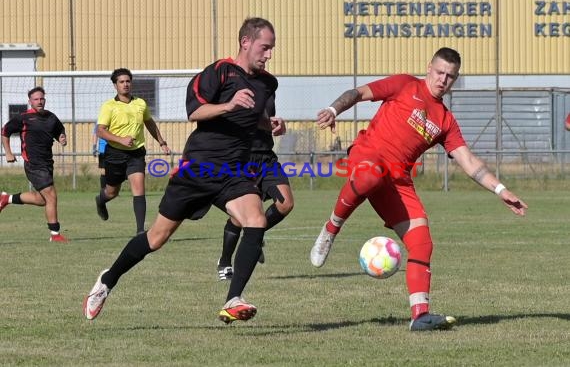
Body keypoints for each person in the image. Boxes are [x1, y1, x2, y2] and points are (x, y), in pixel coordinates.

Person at [310, 47, 528, 331]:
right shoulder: (404, 84)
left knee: (422, 241)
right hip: (368, 158)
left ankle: (420, 315)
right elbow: (359, 93)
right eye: (439, 73)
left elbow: (468, 160)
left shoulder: (445, 120)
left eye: (450, 76)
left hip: (399, 180)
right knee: (368, 178)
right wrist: (332, 109)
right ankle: (331, 229)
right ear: (429, 68)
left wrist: (501, 190)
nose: (443, 80)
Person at [83, 17, 278, 324]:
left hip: (235, 170)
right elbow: (195, 112)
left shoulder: (268, 83)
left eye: (271, 49)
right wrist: (229, 105)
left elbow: (256, 118)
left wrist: (272, 124)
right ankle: (107, 281)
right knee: (156, 238)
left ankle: (233, 299)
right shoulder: (219, 72)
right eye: (265, 47)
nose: (268, 55)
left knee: (255, 220)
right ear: (246, 42)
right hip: (199, 166)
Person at [216, 95, 293, 280]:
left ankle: (253, 236)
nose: (264, 63)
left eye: (266, 62)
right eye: (261, 62)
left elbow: (266, 118)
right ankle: (225, 262)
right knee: (239, 215)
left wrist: (277, 123)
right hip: (241, 158)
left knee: (286, 203)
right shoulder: (234, 87)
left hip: (266, 158)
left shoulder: (268, 87)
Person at [94, 68, 171, 234]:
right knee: (112, 192)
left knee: (139, 188)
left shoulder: (140, 103)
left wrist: (162, 142)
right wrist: (120, 139)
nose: (125, 84)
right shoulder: (109, 106)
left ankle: (140, 232)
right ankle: (101, 199)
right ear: (115, 85)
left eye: (128, 81)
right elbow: (100, 131)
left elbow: (149, 123)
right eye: (121, 82)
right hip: (114, 154)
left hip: (136, 154)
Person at [0, 86, 69, 243]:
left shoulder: (51, 117)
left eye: (41, 98)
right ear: (30, 101)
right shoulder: (23, 118)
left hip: (47, 163)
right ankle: (55, 234)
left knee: (42, 199)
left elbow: (60, 130)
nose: (39, 101)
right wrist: (9, 153)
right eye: (36, 99)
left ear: (45, 99)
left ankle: (6, 199)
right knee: (51, 195)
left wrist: (62, 137)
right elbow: (5, 131)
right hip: (33, 163)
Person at [92, 122, 108, 189]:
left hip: (114, 149)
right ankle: (103, 190)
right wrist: (94, 148)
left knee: (114, 170)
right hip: (103, 150)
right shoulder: (100, 121)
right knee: (104, 171)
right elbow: (95, 134)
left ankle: (113, 190)